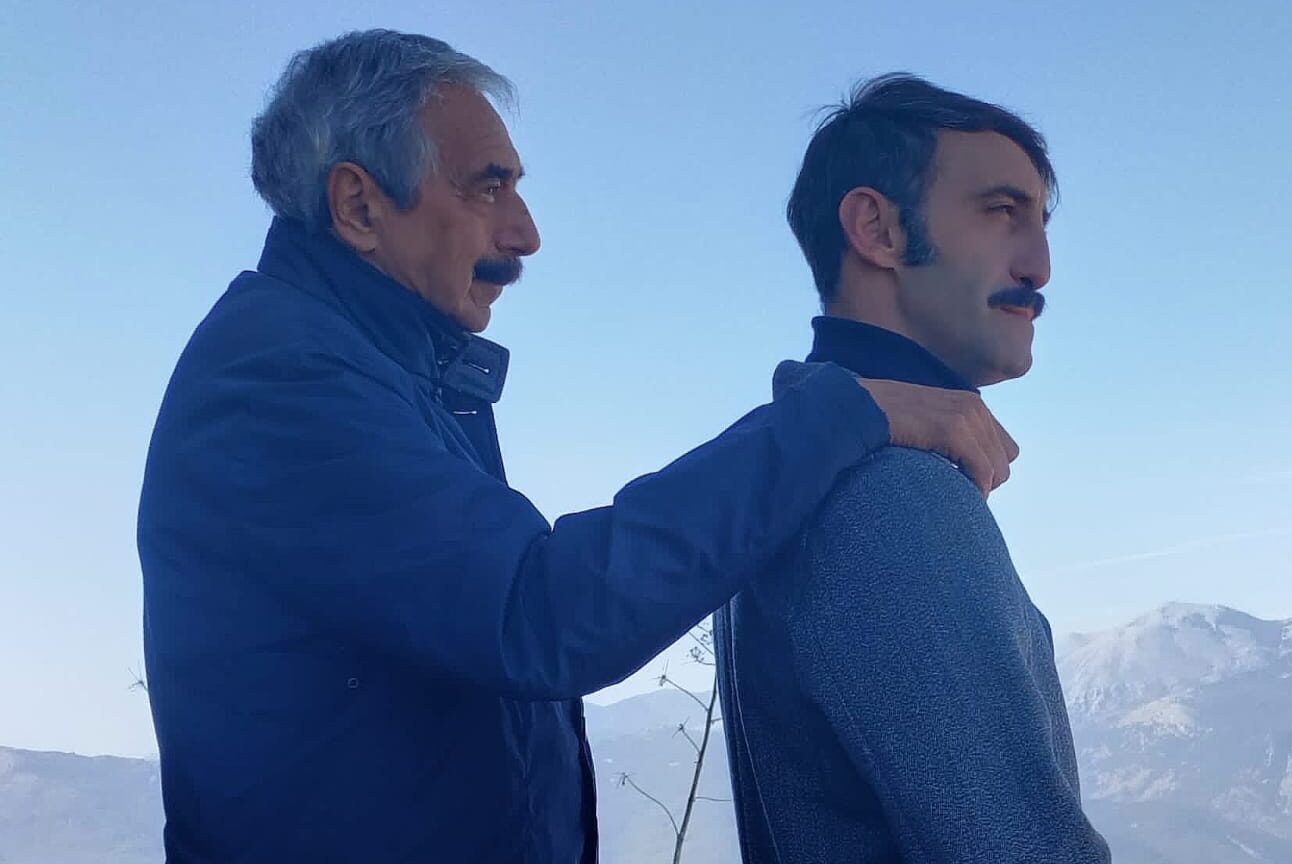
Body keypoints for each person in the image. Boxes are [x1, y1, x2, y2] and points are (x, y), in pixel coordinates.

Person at [136, 33, 1017, 864]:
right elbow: (539, 617)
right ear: (360, 206)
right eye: (487, 188)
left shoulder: (387, 377)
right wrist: (839, 415)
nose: (524, 233)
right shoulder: (278, 386)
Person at [715, 74, 1112, 863]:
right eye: (1001, 211)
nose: (1040, 265)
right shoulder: (891, 495)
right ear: (878, 229)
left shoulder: (791, 474)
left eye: (1041, 221)